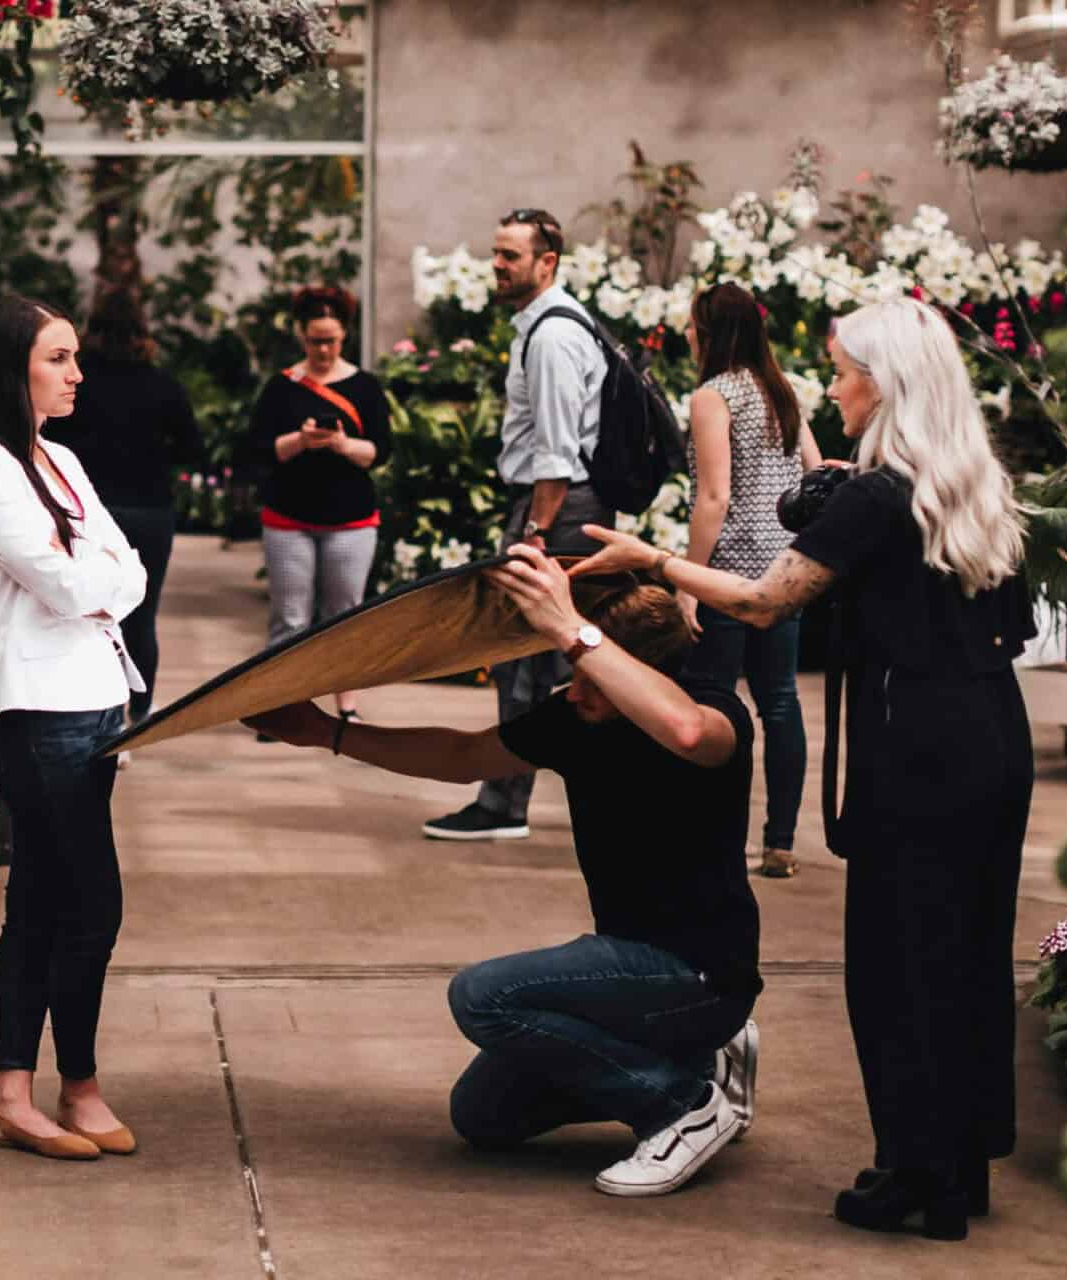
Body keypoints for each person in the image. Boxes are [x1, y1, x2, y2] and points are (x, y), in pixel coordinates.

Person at [570, 298, 1034, 1240]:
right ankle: (959, 1164)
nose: (831, 385)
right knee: (971, 952)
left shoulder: (873, 495)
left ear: (886, 381)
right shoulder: (972, 483)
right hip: (993, 732)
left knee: (898, 962)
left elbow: (761, 600)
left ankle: (914, 1175)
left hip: (918, 746)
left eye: (843, 369)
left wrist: (653, 559)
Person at [245, 555, 762, 1198]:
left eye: (593, 679)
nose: (576, 690)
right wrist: (328, 732)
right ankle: (701, 1059)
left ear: (636, 671)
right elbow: (463, 757)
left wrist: (571, 626)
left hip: (700, 972)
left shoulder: (714, 712)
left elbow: (688, 734)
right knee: (484, 1116)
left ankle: (681, 1103)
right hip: (632, 970)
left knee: (484, 996)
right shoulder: (574, 717)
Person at [0, 295, 148, 1162]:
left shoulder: (57, 458)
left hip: (96, 704)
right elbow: (67, 589)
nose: (77, 373)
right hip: (35, 716)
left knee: (40, 902)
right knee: (88, 905)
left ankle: (17, 1095)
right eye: (58, 359)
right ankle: (78, 1087)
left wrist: (95, 571)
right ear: (13, 367)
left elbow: (130, 570)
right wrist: (94, 572)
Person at [425, 208, 611, 842]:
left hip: (556, 510)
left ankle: (505, 803)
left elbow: (557, 452)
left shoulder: (554, 336)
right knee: (538, 663)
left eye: (510, 255)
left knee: (528, 663)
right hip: (556, 507)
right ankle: (509, 798)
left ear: (547, 261)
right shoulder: (543, 326)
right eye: (496, 253)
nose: (497, 265)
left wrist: (534, 533)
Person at [679, 282, 829, 879]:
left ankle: (714, 840)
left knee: (713, 704)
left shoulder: (713, 396)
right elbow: (818, 472)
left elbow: (714, 498)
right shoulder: (779, 389)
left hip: (729, 574)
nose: (686, 334)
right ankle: (780, 842)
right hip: (784, 570)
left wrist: (687, 580)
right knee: (780, 702)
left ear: (711, 332)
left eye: (692, 325)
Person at [44, 285, 201, 736]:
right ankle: (141, 710)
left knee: (90, 612)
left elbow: (53, 439)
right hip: (149, 506)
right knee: (142, 613)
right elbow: (194, 447)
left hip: (90, 507)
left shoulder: (79, 381)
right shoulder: (163, 384)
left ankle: (95, 707)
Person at [245, 285, 390, 726]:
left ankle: (346, 706)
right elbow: (259, 448)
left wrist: (343, 444)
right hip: (289, 518)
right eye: (315, 340)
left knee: (344, 616)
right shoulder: (281, 387)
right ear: (301, 337)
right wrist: (301, 441)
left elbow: (380, 452)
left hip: (352, 521)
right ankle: (283, 706)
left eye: (331, 340)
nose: (324, 349)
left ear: (345, 335)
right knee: (289, 617)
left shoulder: (364, 387)